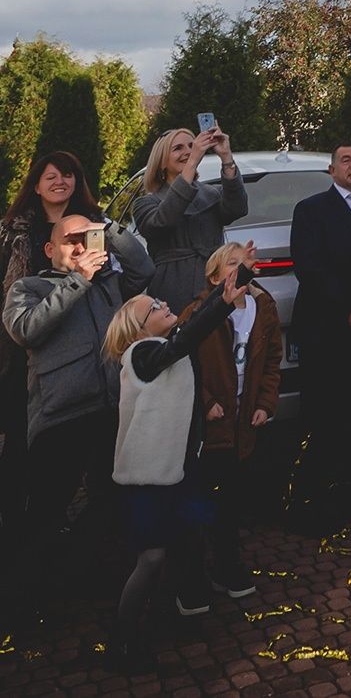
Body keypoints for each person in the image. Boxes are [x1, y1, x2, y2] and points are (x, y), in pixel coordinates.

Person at [2, 210, 154, 618]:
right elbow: (26, 330)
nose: (80, 246)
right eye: (70, 240)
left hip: (110, 410)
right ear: (49, 249)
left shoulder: (111, 284)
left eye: (86, 239)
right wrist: (77, 280)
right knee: (47, 510)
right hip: (60, 415)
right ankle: (22, 600)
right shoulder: (26, 287)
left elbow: (144, 266)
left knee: (109, 500)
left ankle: (76, 572)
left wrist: (108, 230)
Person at [104, 263, 240, 652]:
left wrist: (233, 283)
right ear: (139, 328)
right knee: (151, 558)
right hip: (148, 479)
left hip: (178, 470)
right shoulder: (141, 355)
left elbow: (188, 328)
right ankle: (124, 638)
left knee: (190, 536)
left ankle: (184, 605)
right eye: (155, 306)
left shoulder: (165, 346)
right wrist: (223, 307)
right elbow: (187, 338)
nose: (165, 304)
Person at [0, 151, 102, 527]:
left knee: (75, 440)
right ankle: (13, 517)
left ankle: (63, 512)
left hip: (79, 340)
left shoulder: (94, 225)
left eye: (69, 174)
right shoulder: (15, 230)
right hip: (25, 346)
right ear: (37, 185)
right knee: (20, 433)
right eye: (52, 176)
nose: (61, 181)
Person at [290, 140, 351, 522]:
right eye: (345, 160)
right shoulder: (311, 210)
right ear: (331, 170)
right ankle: (314, 498)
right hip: (327, 328)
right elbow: (309, 268)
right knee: (323, 414)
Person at [179, 240, 280, 603]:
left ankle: (226, 562)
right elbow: (182, 360)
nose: (238, 270)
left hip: (242, 425)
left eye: (243, 263)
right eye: (230, 264)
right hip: (211, 427)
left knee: (232, 500)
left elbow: (271, 361)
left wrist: (265, 404)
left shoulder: (262, 307)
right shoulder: (199, 312)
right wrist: (204, 402)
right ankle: (191, 573)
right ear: (213, 276)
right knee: (200, 499)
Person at [132, 125, 249, 312]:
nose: (188, 151)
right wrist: (192, 162)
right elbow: (160, 223)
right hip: (173, 290)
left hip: (214, 283)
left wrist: (226, 157)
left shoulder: (212, 193)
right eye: (178, 148)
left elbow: (238, 209)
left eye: (191, 145)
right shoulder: (146, 203)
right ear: (161, 161)